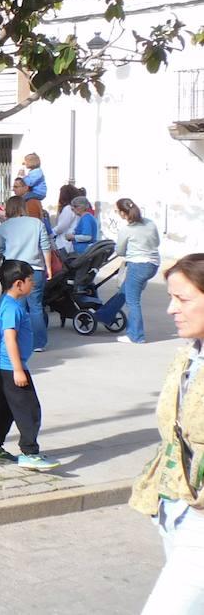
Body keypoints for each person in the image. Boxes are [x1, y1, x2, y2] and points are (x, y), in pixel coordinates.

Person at [131, 254, 204, 612]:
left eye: (183, 299)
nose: (170, 309)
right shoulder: (190, 355)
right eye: (172, 297)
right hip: (174, 509)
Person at [0, 259, 59, 469]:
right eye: (30, 281)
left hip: (0, 364)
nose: (32, 284)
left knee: (5, 407)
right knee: (29, 408)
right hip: (10, 367)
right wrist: (18, 370)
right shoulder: (11, 308)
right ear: (18, 284)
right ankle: (29, 452)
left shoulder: (7, 303)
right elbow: (10, 339)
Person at [0, 195, 56, 353]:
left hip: (13, 269)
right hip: (35, 269)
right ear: (23, 207)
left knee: (16, 307)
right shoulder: (37, 223)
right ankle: (39, 343)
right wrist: (48, 267)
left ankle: (18, 341)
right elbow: (45, 247)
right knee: (36, 308)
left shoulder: (4, 227)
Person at [95, 197, 160, 344]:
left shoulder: (127, 230)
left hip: (138, 265)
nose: (117, 213)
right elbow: (157, 242)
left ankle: (136, 336)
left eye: (117, 211)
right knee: (124, 292)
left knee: (133, 301)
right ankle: (104, 315)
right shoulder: (150, 223)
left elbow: (120, 250)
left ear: (124, 214)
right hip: (153, 264)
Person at [21, 153, 47, 221]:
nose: (24, 163)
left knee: (21, 199)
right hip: (35, 192)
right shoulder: (33, 171)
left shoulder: (37, 172)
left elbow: (30, 183)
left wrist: (23, 177)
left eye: (26, 161)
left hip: (38, 193)